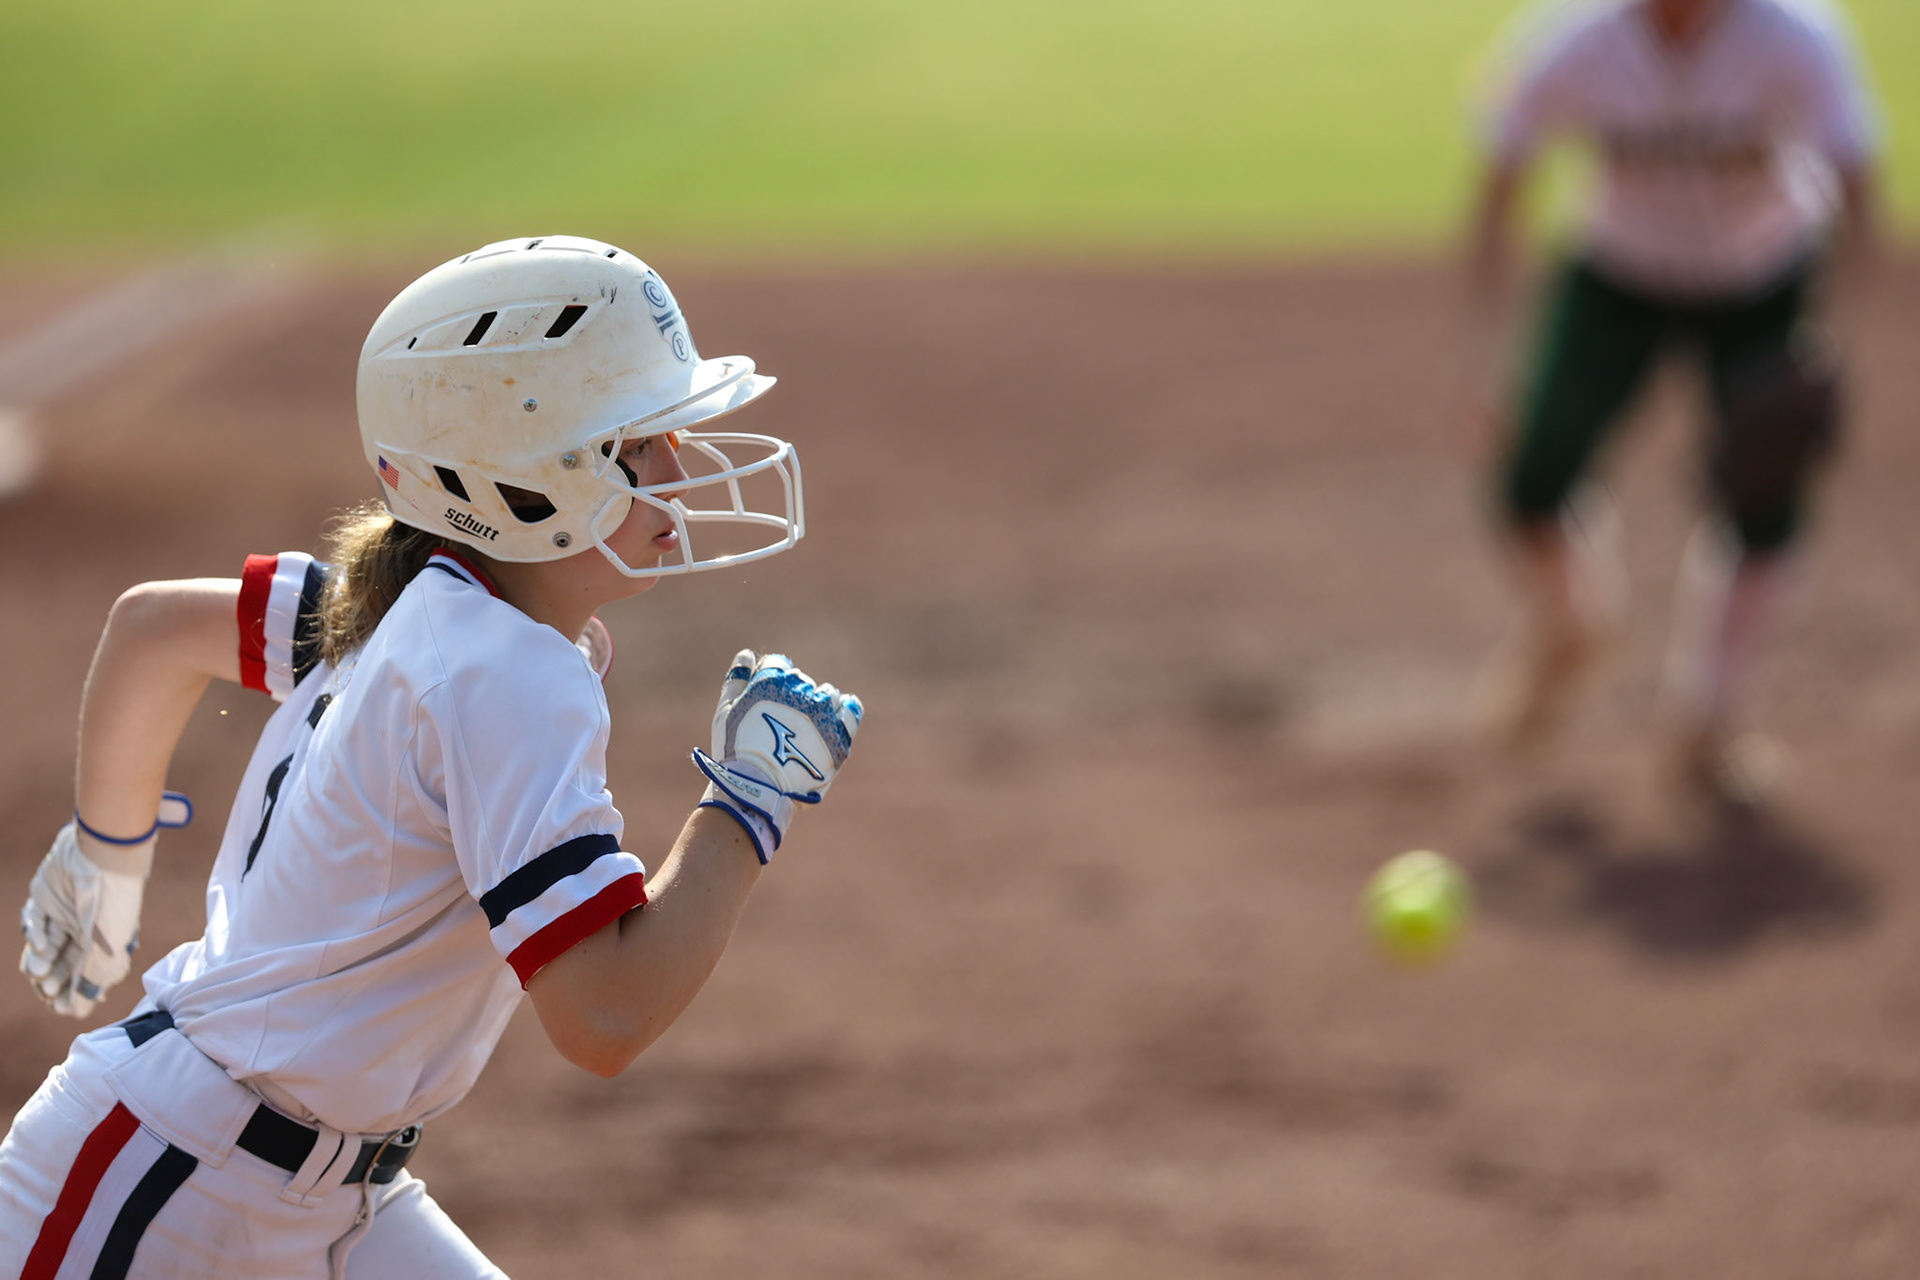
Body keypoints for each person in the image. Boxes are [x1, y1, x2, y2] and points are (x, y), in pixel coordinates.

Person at [0, 235, 864, 1278]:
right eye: (638, 444)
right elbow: (604, 1015)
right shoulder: (499, 669)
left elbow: (151, 631)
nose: (677, 475)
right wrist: (749, 799)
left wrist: (109, 855)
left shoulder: (416, 602)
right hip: (163, 1193)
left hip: (324, 1191)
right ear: (526, 479)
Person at [1463, 0, 1883, 804]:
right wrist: (1486, 357)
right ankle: (1572, 629)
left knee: (1769, 500)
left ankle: (1711, 724)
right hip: (1617, 276)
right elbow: (1503, 166)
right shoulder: (1575, 38)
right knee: (1532, 473)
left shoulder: (1798, 36)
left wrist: (1835, 347)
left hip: (1761, 278)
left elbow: (1857, 182)